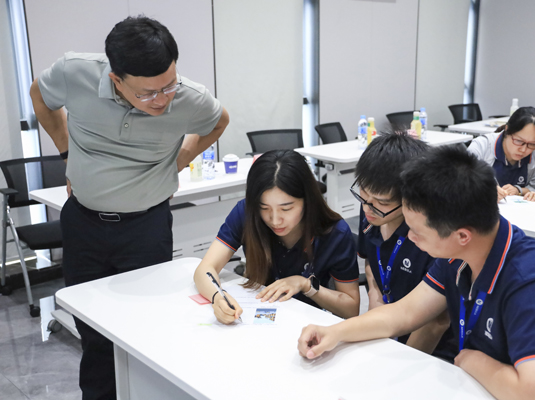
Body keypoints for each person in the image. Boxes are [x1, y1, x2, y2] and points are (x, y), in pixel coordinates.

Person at [297, 145, 535, 400]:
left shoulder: (531, 282)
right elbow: (404, 313)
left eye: (417, 232)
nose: (410, 237)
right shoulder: (461, 253)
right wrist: (335, 333)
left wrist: (472, 360)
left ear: (462, 235)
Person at [30, 16, 229, 400]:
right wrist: (67, 152)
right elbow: (40, 94)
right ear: (115, 80)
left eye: (168, 85)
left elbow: (219, 122)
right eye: (148, 93)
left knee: (147, 329)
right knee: (93, 332)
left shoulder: (190, 97)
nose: (162, 100)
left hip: (146, 229)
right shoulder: (75, 72)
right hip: (84, 224)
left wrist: (180, 159)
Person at [194, 150, 360, 323]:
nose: (274, 220)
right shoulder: (246, 213)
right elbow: (204, 269)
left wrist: (305, 285)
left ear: (308, 200)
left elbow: (351, 308)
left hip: (305, 324)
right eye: (264, 208)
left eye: (286, 209)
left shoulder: (334, 232)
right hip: (254, 317)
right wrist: (218, 297)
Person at [353, 133, 456, 360]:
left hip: (434, 352)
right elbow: (371, 260)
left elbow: (436, 322)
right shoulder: (372, 210)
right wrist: (375, 299)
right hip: (390, 329)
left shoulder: (434, 235)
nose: (368, 207)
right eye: (363, 193)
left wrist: (397, 361)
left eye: (382, 202)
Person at [468, 106, 535, 202]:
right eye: (518, 141)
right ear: (507, 130)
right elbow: (462, 185)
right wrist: (485, 190)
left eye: (531, 144)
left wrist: (519, 190)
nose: (523, 149)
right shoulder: (481, 146)